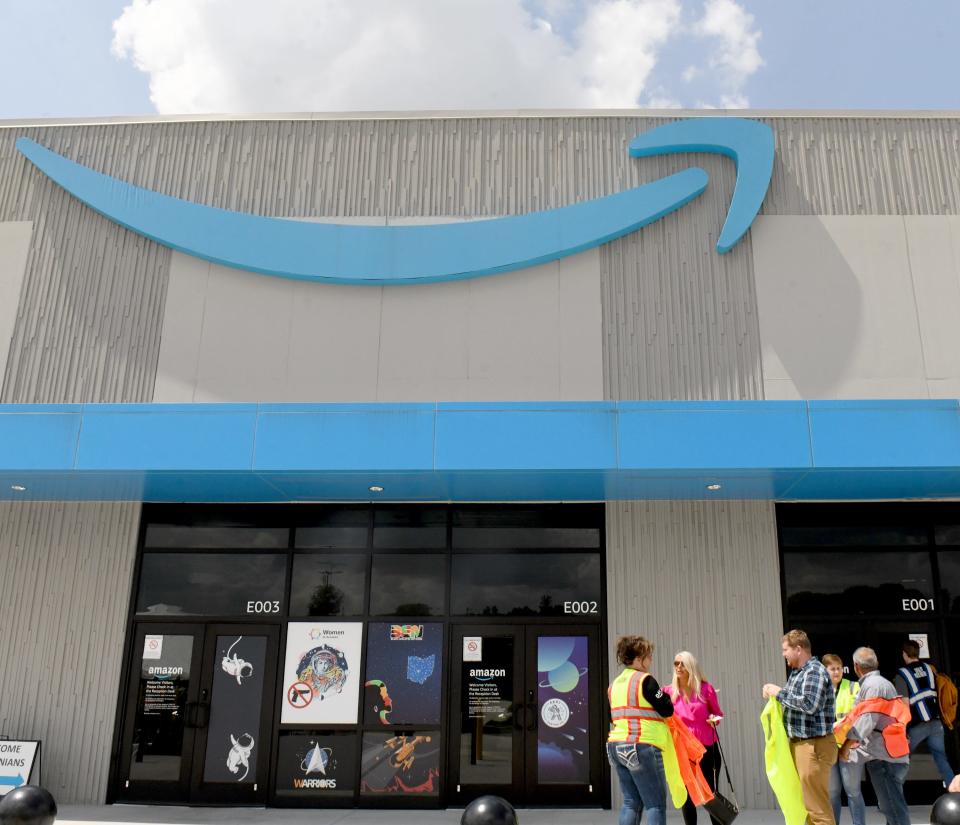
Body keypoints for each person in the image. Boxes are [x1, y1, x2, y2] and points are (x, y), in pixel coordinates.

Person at [763, 629, 837, 825]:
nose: (783, 654)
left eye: (785, 649)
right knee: (807, 806)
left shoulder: (814, 671)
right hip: (802, 745)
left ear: (798, 649)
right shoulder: (798, 673)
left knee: (817, 808)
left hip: (813, 746)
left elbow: (809, 704)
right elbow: (792, 701)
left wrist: (778, 692)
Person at [835, 647, 911, 825]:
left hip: (885, 759)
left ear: (856, 666)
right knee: (892, 808)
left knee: (894, 810)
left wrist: (846, 745)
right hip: (889, 754)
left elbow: (866, 722)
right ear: (876, 663)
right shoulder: (880, 684)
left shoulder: (873, 686)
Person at [607, 635, 675, 825]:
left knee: (631, 803)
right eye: (648, 656)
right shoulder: (645, 680)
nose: (651, 660)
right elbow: (667, 709)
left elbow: (612, 717)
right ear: (638, 659)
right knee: (655, 805)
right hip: (642, 745)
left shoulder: (614, 685)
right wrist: (667, 695)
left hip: (616, 746)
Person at [664, 651, 724, 825]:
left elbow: (718, 714)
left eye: (682, 663)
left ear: (691, 667)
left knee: (711, 794)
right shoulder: (668, 692)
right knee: (687, 796)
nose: (678, 667)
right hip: (683, 751)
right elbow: (649, 698)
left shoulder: (706, 689)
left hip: (707, 748)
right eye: (676, 663)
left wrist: (712, 721)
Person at [894, 639, 955, 786]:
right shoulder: (929, 668)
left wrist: (903, 731)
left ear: (904, 654)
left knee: (901, 761)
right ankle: (956, 794)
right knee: (941, 759)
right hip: (936, 723)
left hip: (916, 726)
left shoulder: (902, 674)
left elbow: (905, 705)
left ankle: (893, 799)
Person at [822, 654, 864, 825]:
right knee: (832, 792)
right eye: (832, 668)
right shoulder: (820, 690)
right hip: (828, 747)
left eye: (839, 668)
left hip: (850, 746)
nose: (837, 671)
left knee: (853, 791)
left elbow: (860, 714)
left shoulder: (853, 687)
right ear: (825, 671)